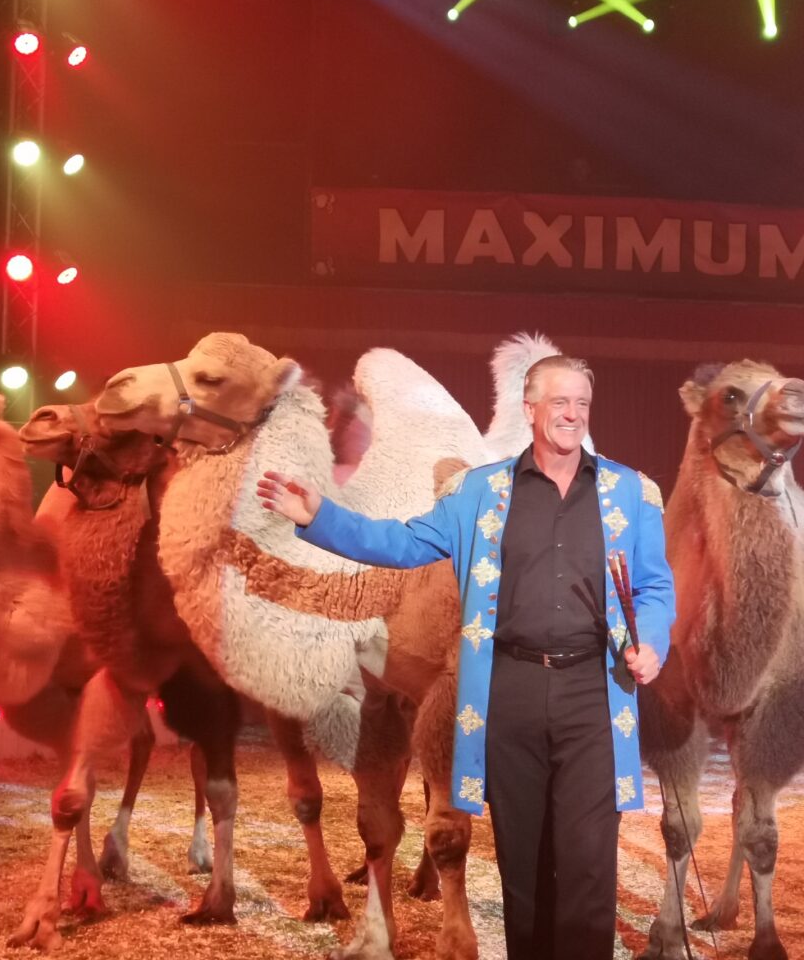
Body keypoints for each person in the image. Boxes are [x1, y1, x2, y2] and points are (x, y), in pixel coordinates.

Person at [257, 354, 675, 960]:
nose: (572, 414)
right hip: (510, 690)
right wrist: (320, 518)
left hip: (594, 693)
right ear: (530, 409)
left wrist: (653, 641)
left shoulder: (629, 493)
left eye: (582, 402)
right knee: (523, 865)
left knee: (588, 864)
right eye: (559, 401)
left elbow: (654, 585)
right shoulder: (479, 492)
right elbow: (402, 542)